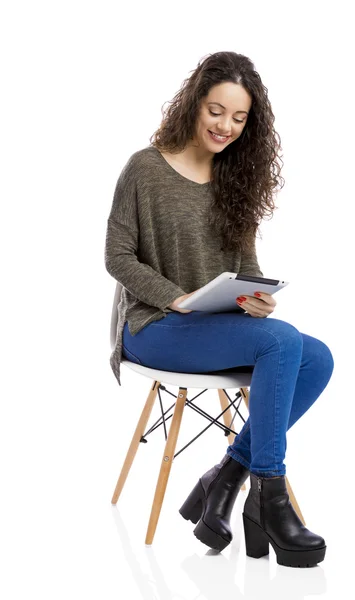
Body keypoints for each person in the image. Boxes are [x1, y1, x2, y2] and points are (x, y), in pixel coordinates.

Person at [104, 51, 334, 568]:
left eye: (239, 117)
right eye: (216, 111)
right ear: (193, 103)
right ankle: (269, 500)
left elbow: (245, 266)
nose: (226, 126)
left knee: (317, 358)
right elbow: (116, 256)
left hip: (215, 327)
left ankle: (225, 476)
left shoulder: (237, 177)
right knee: (282, 342)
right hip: (154, 326)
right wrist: (174, 296)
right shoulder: (145, 168)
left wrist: (257, 298)